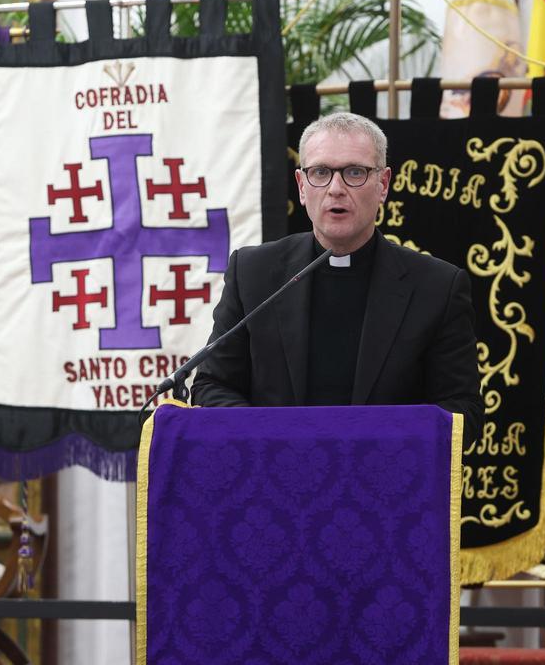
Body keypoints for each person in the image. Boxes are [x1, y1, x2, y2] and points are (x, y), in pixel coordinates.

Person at [191, 112, 483, 440]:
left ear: (383, 185)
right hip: (276, 477)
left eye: (355, 172)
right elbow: (212, 385)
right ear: (302, 187)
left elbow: (463, 411)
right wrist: (273, 438)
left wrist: (369, 440)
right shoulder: (253, 273)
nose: (336, 189)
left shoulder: (437, 287)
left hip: (384, 481)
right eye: (320, 172)